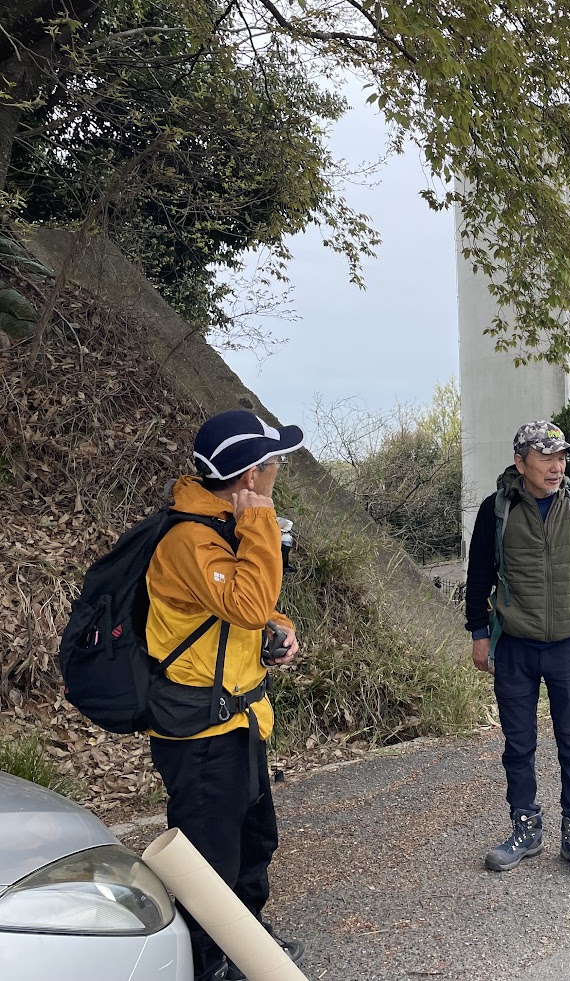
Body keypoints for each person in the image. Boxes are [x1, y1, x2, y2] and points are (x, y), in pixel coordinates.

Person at [146, 410, 306, 981]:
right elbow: (244, 602)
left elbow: (250, 610)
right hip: (199, 734)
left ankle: (245, 942)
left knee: (255, 843)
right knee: (209, 862)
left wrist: (279, 631)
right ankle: (208, 964)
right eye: (273, 461)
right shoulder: (189, 538)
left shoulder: (221, 524)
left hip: (240, 718)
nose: (279, 469)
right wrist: (261, 521)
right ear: (249, 477)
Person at [465, 420, 570, 878]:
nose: (557, 466)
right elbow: (477, 575)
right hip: (515, 645)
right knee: (518, 745)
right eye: (546, 457)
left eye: (561, 457)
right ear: (520, 462)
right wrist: (478, 633)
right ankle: (525, 828)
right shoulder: (496, 510)